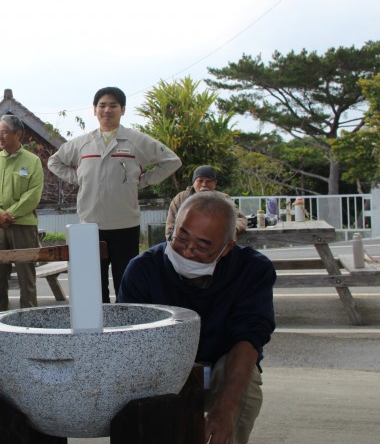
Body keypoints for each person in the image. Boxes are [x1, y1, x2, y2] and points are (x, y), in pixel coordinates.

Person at [118, 191, 275, 444]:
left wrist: (225, 409)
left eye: (203, 246)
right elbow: (130, 344)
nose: (188, 251)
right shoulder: (143, 269)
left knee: (246, 385)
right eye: (181, 237)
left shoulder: (253, 270)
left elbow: (250, 338)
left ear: (227, 248)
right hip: (159, 369)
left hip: (218, 367)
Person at [48, 86, 181, 303]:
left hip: (125, 224)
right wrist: (78, 177)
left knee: (126, 281)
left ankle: (124, 328)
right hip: (90, 225)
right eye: (102, 105)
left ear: (123, 110)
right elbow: (54, 161)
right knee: (93, 285)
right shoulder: (82, 143)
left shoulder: (136, 140)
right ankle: (97, 329)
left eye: (113, 105)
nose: (107, 110)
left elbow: (172, 161)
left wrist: (144, 180)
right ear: (94, 110)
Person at [0, 114, 44, 313]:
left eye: (4, 132)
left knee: (26, 273)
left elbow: (34, 194)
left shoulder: (32, 161)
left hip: (23, 224)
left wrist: (11, 213)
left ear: (18, 134)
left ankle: (29, 314)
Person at [165, 165, 248, 239]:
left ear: (215, 184)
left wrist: (231, 230)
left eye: (208, 181)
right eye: (200, 181)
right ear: (193, 183)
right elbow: (170, 229)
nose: (204, 185)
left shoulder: (223, 199)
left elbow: (241, 219)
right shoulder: (180, 198)